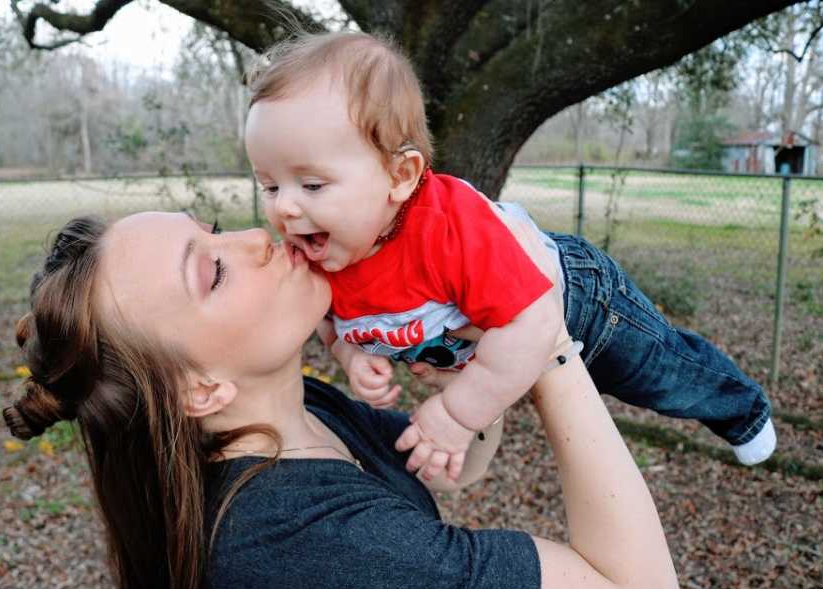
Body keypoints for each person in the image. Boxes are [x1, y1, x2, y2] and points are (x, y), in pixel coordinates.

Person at [3, 212, 680, 589]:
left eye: (212, 230)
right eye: (212, 271)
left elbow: (454, 466)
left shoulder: (291, 413)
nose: (256, 236)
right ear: (199, 389)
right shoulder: (309, 545)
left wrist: (475, 370)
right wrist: (546, 338)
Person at [244, 30, 776, 480]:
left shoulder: (448, 229)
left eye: (311, 185)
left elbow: (531, 324)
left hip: (576, 299)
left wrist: (456, 413)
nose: (285, 208)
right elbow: (331, 324)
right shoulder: (322, 254)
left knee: (658, 375)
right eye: (269, 187)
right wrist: (352, 357)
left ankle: (742, 410)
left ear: (399, 177)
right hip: (494, 352)